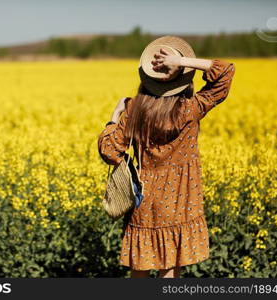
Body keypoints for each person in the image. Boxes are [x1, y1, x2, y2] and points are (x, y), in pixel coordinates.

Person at [97, 36, 235, 278]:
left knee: (140, 266)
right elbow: (225, 72)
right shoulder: (191, 109)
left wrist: (114, 117)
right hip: (181, 199)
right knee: (169, 269)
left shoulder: (134, 111)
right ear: (183, 78)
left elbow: (109, 150)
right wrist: (183, 62)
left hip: (145, 201)